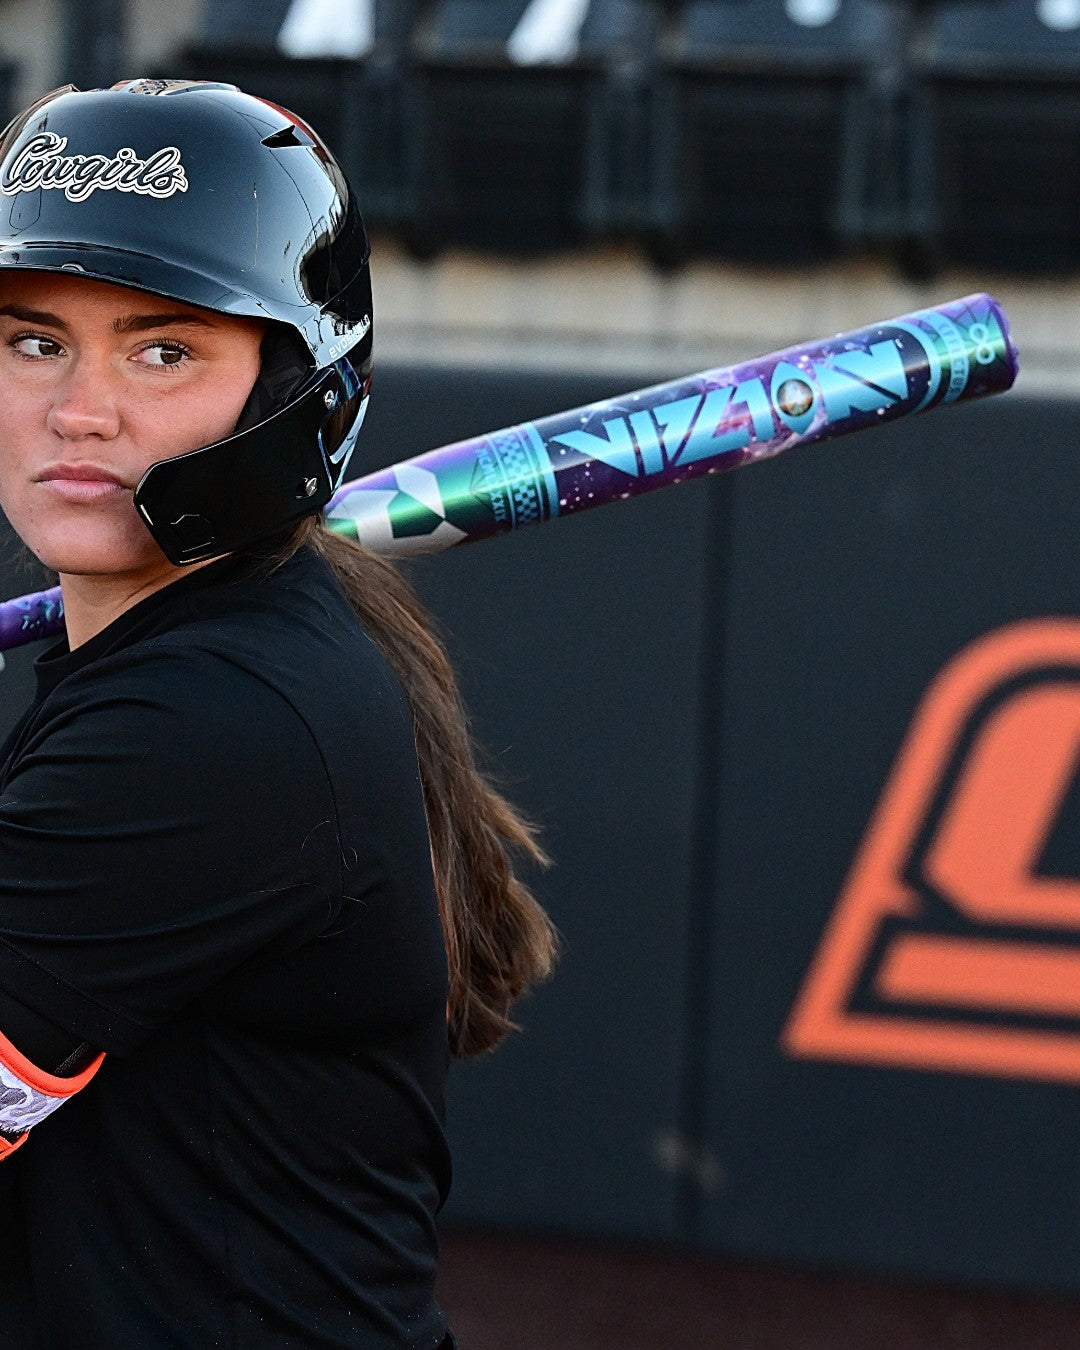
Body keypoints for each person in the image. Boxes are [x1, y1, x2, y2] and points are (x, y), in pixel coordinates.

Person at [0, 78, 557, 1347]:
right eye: (36, 341)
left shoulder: (214, 719)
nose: (79, 410)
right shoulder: (221, 642)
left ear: (286, 392)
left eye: (163, 350)